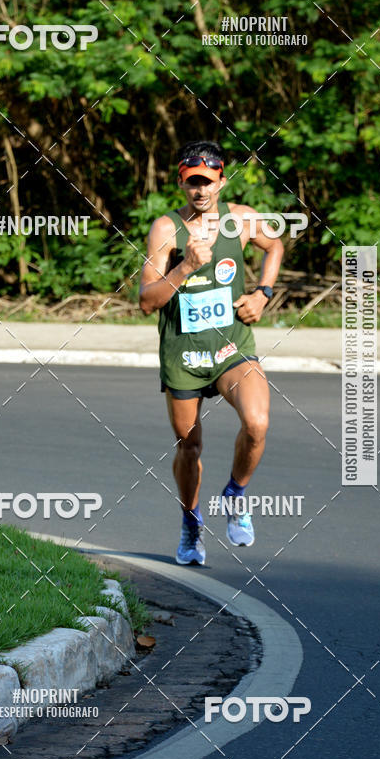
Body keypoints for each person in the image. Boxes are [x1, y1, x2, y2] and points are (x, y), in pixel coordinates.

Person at [139, 140, 283, 565]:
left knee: (257, 423)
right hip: (184, 353)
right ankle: (190, 522)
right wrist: (184, 267)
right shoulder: (167, 230)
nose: (199, 191)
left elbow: (274, 246)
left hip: (231, 346)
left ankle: (235, 494)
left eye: (207, 181)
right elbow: (147, 301)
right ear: (182, 184)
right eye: (191, 183)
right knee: (189, 448)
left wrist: (263, 293)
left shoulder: (241, 220)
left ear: (222, 179)